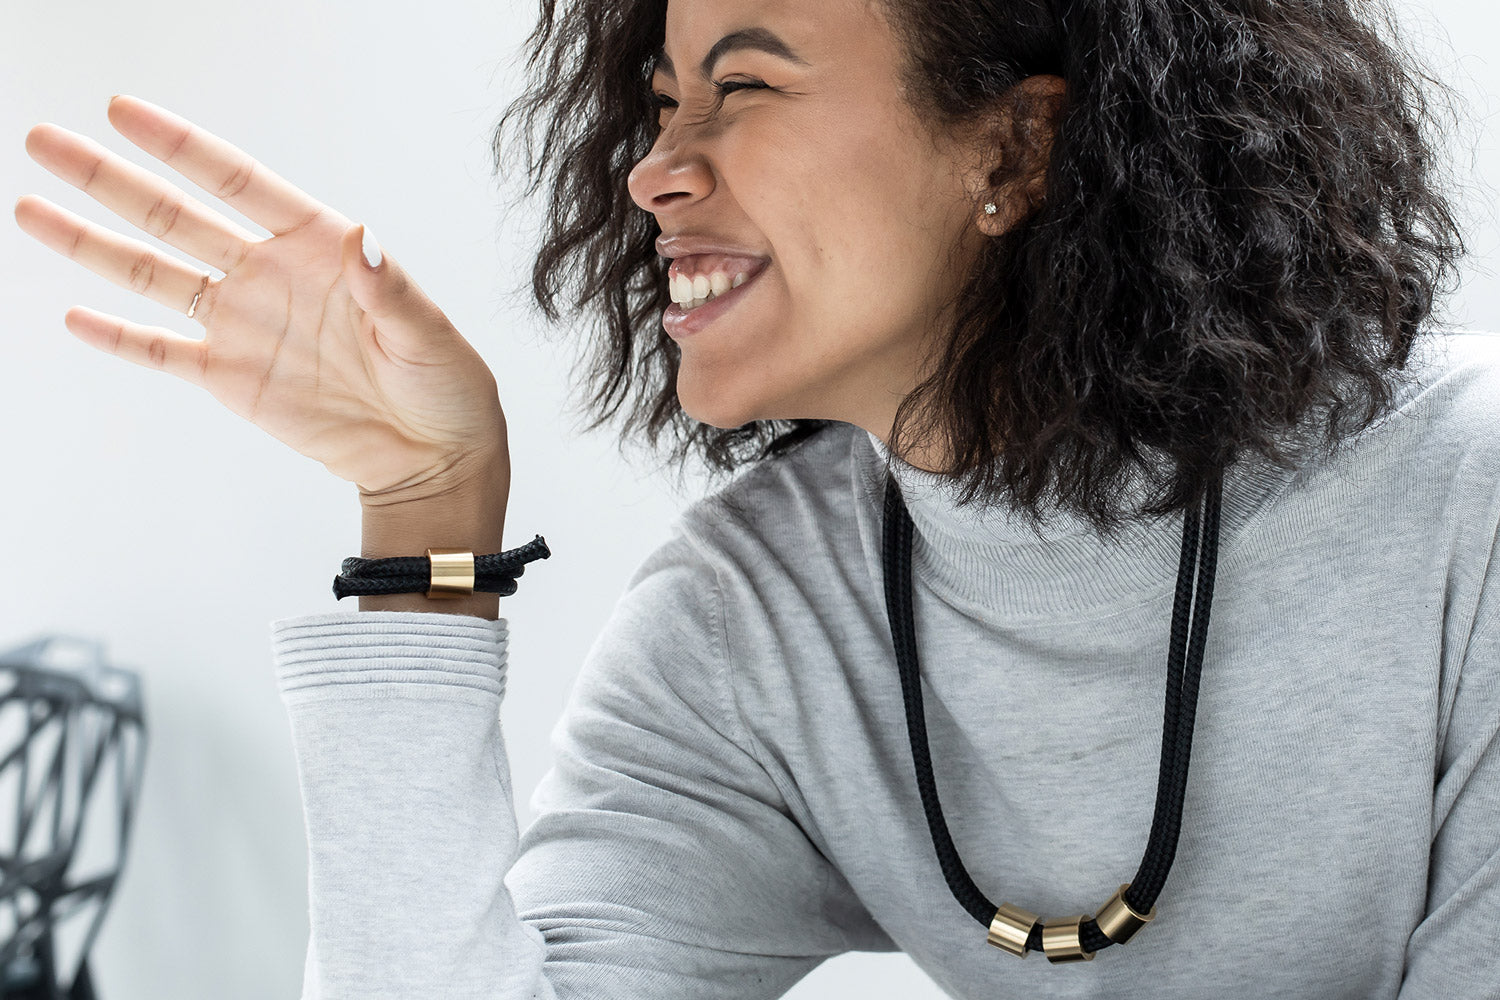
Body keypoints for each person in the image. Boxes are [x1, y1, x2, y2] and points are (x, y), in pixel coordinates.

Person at [13, 0, 1498, 995]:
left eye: (746, 87)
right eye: (660, 104)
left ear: (1018, 146)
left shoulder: (1468, 490)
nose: (657, 171)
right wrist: (424, 509)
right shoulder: (759, 617)